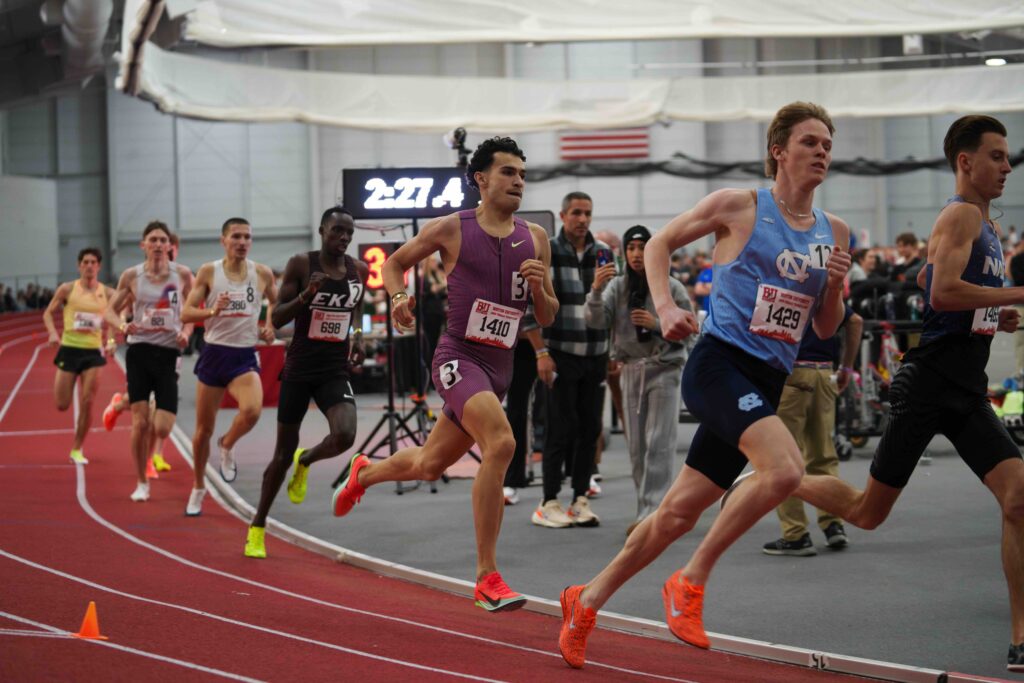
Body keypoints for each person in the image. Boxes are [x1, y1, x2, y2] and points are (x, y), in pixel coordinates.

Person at [557, 101, 851, 669]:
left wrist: (834, 289)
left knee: (675, 515)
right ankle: (689, 581)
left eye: (828, 145)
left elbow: (823, 327)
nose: (822, 152)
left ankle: (584, 601)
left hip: (767, 381)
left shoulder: (832, 232)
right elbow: (662, 244)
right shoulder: (740, 206)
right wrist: (665, 306)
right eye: (810, 142)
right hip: (718, 366)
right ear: (779, 151)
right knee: (786, 470)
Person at [784, 115, 1024, 673]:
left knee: (1017, 498)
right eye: (997, 156)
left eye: (1008, 157)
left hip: (965, 391)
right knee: (868, 513)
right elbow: (941, 291)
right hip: (928, 386)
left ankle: (1019, 636)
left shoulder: (983, 225)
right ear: (966, 162)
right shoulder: (961, 213)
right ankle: (780, 480)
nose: (1007, 166)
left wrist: (994, 314)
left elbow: (926, 281)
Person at [331, 137, 558, 612]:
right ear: (481, 179)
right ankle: (486, 576)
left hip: (499, 370)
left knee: (430, 464)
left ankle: (364, 473)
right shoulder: (451, 228)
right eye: (507, 173)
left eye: (521, 173)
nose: (518, 181)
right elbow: (393, 265)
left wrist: (540, 292)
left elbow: (550, 315)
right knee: (502, 443)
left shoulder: (535, 237)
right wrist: (397, 301)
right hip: (457, 358)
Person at [244, 207, 368, 558]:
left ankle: (307, 460)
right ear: (322, 231)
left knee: (345, 434)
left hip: (333, 368)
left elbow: (355, 307)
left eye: (348, 233)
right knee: (281, 455)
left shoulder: (357, 270)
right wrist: (306, 296)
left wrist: (357, 335)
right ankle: (257, 526)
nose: (343, 238)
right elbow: (278, 316)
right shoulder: (301, 264)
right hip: (299, 369)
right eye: (337, 232)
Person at [585, 225, 693, 536]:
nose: (635, 255)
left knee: (659, 443)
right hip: (630, 369)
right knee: (637, 447)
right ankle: (646, 508)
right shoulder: (616, 287)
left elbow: (690, 329)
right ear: (623, 254)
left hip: (664, 369)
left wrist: (657, 324)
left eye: (642, 248)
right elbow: (594, 320)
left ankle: (652, 514)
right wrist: (594, 289)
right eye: (630, 249)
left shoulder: (671, 288)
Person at [181, 217, 278, 517]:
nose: (242, 242)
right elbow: (186, 313)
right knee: (201, 431)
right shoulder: (209, 272)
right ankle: (198, 487)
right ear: (223, 240)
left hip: (243, 355)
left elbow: (275, 301)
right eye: (236, 236)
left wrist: (270, 324)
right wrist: (212, 309)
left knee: (251, 411)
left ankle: (228, 443)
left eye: (247, 237)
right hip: (214, 354)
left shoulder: (261, 273)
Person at [529, 191, 610, 529]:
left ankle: (579, 498)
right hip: (560, 354)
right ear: (563, 216)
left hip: (596, 353)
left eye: (587, 213)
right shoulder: (548, 249)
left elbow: (614, 302)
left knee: (589, 429)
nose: (583, 219)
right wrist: (541, 352)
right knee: (559, 429)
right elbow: (530, 305)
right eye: (576, 213)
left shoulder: (603, 253)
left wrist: (614, 349)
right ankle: (548, 501)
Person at [762, 305, 863, 556]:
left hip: (789, 373)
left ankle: (795, 534)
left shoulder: (781, 285)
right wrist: (847, 367)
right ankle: (833, 524)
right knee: (824, 454)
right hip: (824, 373)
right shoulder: (823, 288)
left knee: (783, 458)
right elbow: (855, 321)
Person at [105, 221, 194, 501]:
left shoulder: (183, 275)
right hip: (140, 351)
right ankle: (141, 481)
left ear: (170, 246)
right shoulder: (132, 276)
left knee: (163, 426)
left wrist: (186, 333)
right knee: (140, 423)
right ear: (143, 245)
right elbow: (109, 311)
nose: (157, 245)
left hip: (168, 353)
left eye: (162, 240)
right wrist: (122, 327)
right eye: (152, 240)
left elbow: (192, 311)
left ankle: (123, 406)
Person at [42, 248, 117, 464]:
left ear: (99, 266)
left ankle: (77, 448)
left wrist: (111, 340)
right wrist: (53, 333)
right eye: (85, 262)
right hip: (69, 349)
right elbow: (48, 313)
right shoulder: (67, 289)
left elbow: (115, 316)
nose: (89, 266)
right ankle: (76, 446)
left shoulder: (108, 293)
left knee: (87, 401)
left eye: (93, 262)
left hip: (93, 352)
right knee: (62, 403)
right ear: (79, 266)